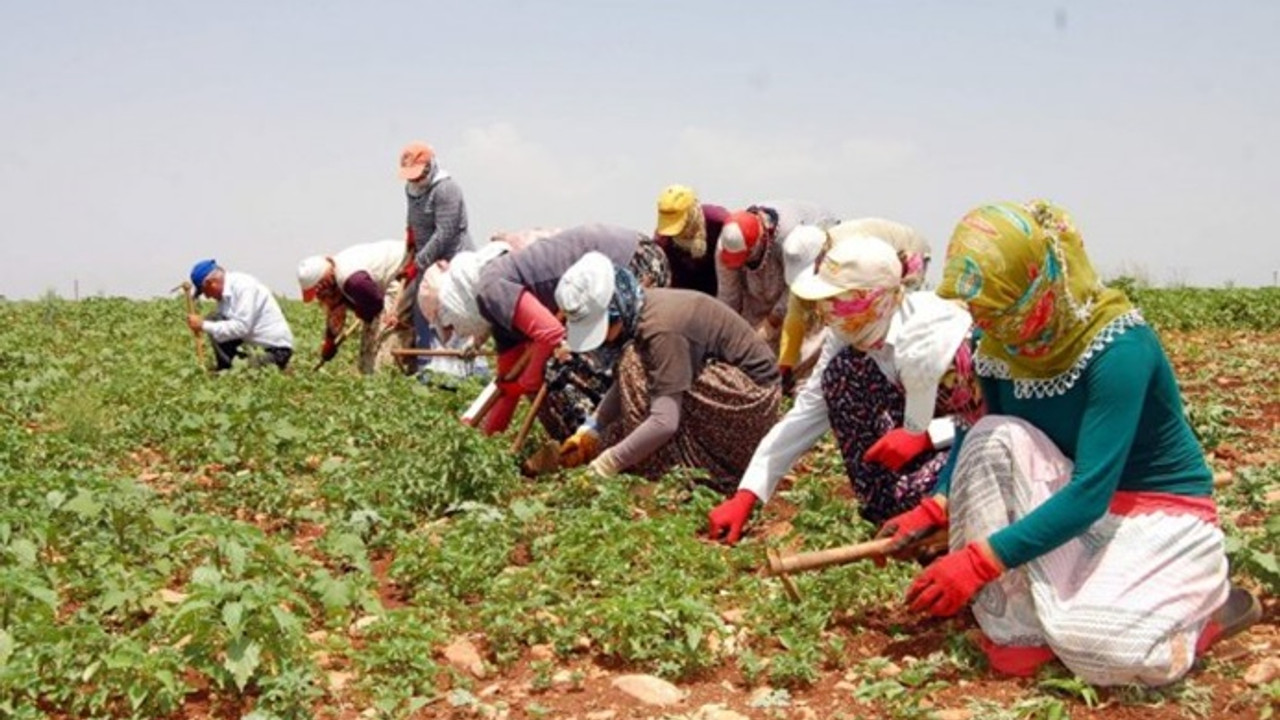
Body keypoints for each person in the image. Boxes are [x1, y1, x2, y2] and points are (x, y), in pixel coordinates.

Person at [887, 199, 1257, 685]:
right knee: (988, 434)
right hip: (1070, 499)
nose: (984, 320)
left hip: (1150, 512)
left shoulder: (1119, 348)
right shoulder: (997, 343)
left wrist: (980, 561)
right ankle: (1016, 628)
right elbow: (985, 434)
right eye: (979, 308)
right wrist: (935, 507)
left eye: (997, 306)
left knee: (1106, 653)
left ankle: (1207, 606)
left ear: (1037, 285)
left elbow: (1091, 493)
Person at [707, 222, 982, 543]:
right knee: (840, 377)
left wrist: (926, 437)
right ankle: (887, 509)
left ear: (874, 299)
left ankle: (946, 516)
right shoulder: (848, 334)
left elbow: (994, 419)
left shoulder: (942, 337)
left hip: (964, 448)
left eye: (835, 301)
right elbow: (807, 412)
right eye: (823, 303)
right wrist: (748, 494)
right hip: (914, 441)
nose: (825, 315)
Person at [557, 253, 781, 490]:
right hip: (735, 396)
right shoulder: (642, 308)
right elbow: (624, 385)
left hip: (752, 405)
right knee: (618, 424)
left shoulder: (660, 331)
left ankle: (682, 471)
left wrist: (609, 463)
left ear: (617, 310)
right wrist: (590, 429)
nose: (602, 339)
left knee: (633, 364)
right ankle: (660, 459)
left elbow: (665, 422)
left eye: (603, 328)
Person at [430, 224, 670, 438]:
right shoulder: (498, 313)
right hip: (627, 255)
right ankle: (610, 435)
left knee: (560, 368)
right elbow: (506, 384)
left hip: (631, 265)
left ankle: (611, 439)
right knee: (559, 363)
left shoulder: (490, 288)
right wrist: (484, 445)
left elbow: (552, 334)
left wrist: (528, 382)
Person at [716, 201, 836, 366]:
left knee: (800, 350)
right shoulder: (726, 247)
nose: (742, 262)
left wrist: (772, 322)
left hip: (793, 291)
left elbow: (796, 284)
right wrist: (725, 334)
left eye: (745, 256)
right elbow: (728, 295)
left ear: (758, 242)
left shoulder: (789, 239)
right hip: (755, 296)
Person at [397, 140, 472, 375]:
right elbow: (413, 223)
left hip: (451, 260)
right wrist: (410, 241)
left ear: (430, 166)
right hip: (425, 262)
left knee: (451, 316)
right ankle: (427, 370)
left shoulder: (446, 189)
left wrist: (418, 262)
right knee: (423, 317)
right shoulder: (411, 190)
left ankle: (460, 374)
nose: (415, 180)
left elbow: (445, 232)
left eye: (418, 174)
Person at [297, 239, 411, 374]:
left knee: (385, 332)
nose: (319, 297)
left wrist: (360, 312)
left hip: (402, 270)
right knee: (370, 341)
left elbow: (374, 306)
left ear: (323, 283)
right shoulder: (336, 276)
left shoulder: (352, 280)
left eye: (319, 293)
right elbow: (336, 310)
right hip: (382, 284)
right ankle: (369, 373)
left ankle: (389, 373)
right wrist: (330, 340)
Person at [185, 259, 294, 371]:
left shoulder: (244, 286)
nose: (207, 297)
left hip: (276, 350)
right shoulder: (223, 298)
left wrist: (203, 325)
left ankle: (276, 366)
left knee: (243, 372)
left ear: (211, 283)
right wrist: (206, 324)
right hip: (252, 348)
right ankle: (227, 368)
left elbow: (242, 327)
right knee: (214, 319)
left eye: (205, 292)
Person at [652, 184, 730, 296]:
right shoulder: (662, 241)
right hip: (685, 301)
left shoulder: (719, 222)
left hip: (726, 296)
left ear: (691, 212)